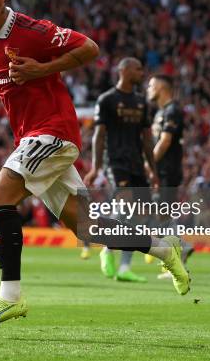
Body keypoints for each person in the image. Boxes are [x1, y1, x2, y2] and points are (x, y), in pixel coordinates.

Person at [0, 0, 190, 327]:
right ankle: (163, 248)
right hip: (32, 137)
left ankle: (9, 296)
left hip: (54, 133)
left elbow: (90, 48)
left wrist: (41, 69)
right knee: (88, 228)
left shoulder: (33, 30)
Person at [83, 58, 158, 283]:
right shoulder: (107, 100)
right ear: (123, 70)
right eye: (137, 68)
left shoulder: (142, 102)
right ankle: (107, 247)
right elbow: (99, 135)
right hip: (116, 163)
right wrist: (96, 167)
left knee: (139, 217)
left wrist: (152, 169)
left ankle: (125, 268)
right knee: (126, 208)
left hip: (137, 164)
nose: (141, 72)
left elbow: (147, 139)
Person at [146, 74, 194, 276]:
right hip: (162, 172)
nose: (148, 89)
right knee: (161, 215)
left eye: (151, 85)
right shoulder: (161, 112)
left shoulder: (173, 110)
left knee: (160, 215)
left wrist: (149, 165)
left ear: (161, 88)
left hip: (167, 171)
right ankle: (181, 249)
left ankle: (179, 254)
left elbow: (165, 141)